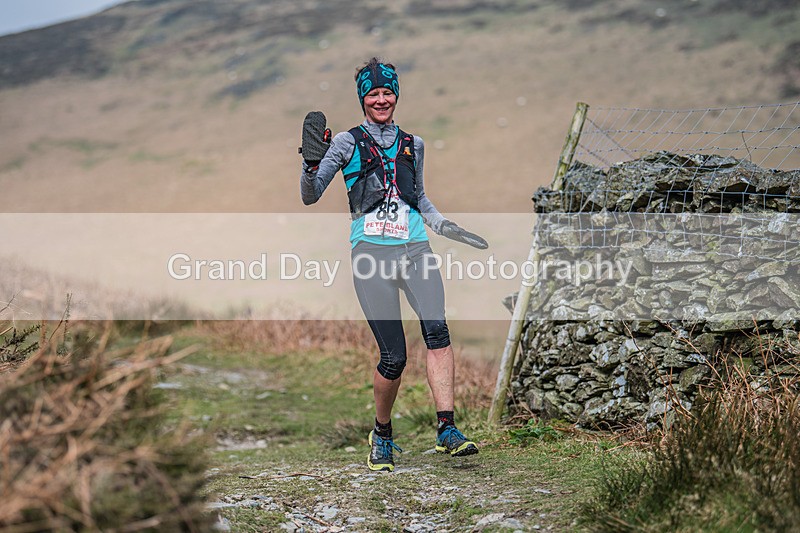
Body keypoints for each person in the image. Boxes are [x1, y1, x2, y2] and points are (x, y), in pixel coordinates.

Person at [299, 57, 488, 472]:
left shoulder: (413, 144)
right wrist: (310, 162)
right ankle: (382, 433)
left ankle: (447, 430)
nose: (381, 100)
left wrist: (445, 225)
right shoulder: (346, 143)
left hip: (415, 249)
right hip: (371, 254)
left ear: (396, 95)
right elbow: (310, 194)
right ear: (363, 99)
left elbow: (419, 196)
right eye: (373, 94)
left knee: (437, 331)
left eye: (388, 93)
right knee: (394, 358)